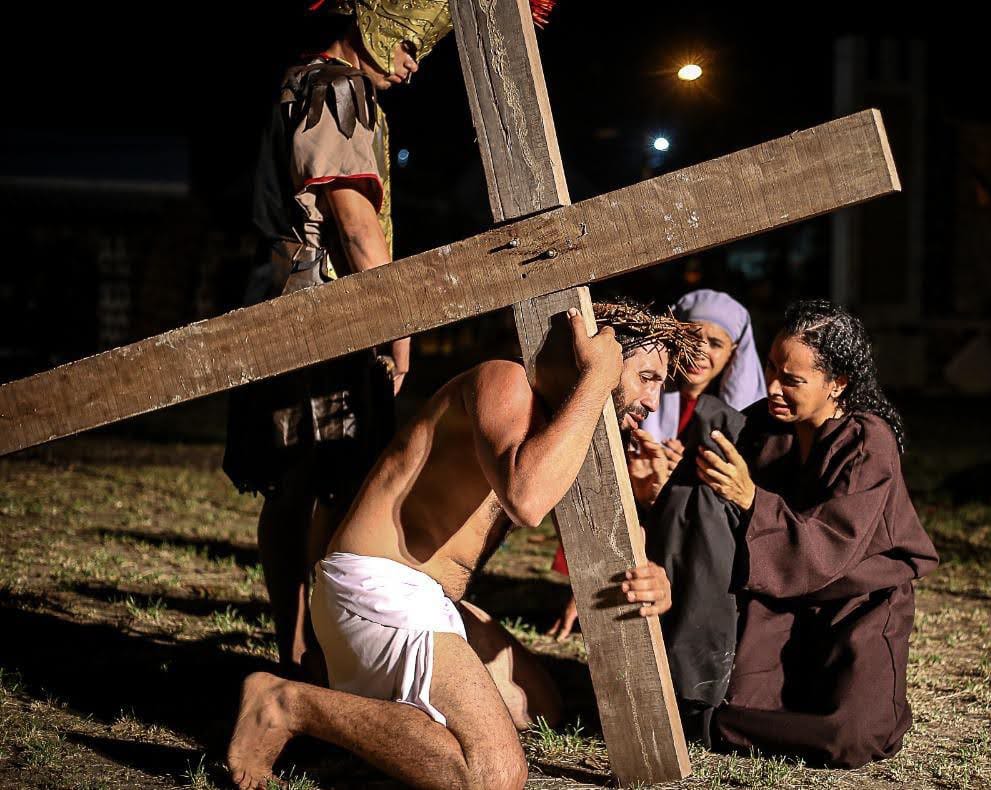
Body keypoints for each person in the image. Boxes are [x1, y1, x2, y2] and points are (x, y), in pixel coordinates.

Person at [226, 302, 699, 790]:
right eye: (646, 376)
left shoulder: (564, 428)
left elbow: (606, 545)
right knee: (493, 776)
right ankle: (286, 704)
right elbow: (526, 499)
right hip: (378, 587)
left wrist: (651, 576)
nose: (654, 400)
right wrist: (598, 380)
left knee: (536, 707)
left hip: (429, 599)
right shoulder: (504, 380)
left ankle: (361, 699)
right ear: (596, 350)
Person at [223, 0, 451, 679]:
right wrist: (396, 321)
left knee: (296, 484)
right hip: (322, 314)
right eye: (408, 45)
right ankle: (317, 661)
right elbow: (352, 224)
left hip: (285, 303)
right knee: (330, 481)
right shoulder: (334, 85)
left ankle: (301, 654)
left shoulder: (303, 79)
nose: (413, 64)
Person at [693, 299, 939, 767]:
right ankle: (722, 722)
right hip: (782, 600)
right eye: (770, 369)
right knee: (738, 699)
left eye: (792, 380)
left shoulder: (868, 442)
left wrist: (752, 499)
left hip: (859, 604)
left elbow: (829, 546)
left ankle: (725, 728)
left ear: (837, 383)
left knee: (855, 737)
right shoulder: (762, 427)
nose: (772, 388)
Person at [549, 289, 764, 647]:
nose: (700, 352)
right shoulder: (638, 396)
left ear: (733, 355)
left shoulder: (738, 421)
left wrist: (682, 479)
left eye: (716, 344)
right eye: (692, 337)